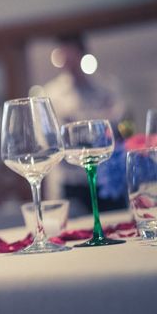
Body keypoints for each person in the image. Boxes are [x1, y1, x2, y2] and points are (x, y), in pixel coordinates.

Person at [43, 34, 128, 212]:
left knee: (116, 225)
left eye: (71, 54)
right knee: (77, 232)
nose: (67, 61)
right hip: (72, 181)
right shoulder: (51, 95)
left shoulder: (107, 88)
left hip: (107, 178)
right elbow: (52, 141)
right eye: (63, 55)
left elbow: (123, 127)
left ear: (81, 54)